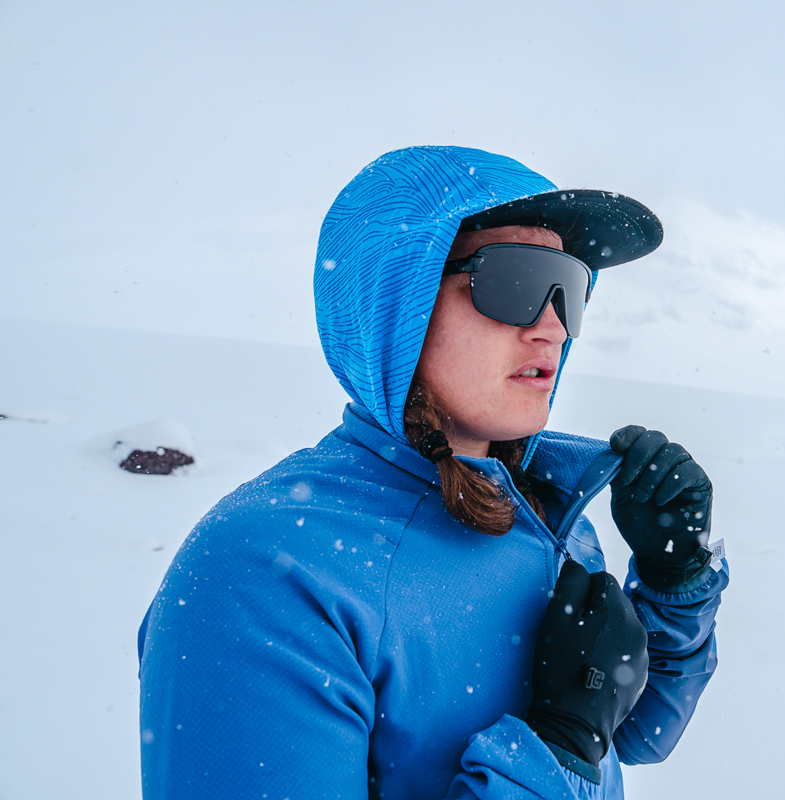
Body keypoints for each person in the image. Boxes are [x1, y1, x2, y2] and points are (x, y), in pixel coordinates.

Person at [137, 146, 729, 800]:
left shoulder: (544, 515)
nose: (555, 328)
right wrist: (558, 746)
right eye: (516, 281)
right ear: (400, 299)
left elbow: (637, 735)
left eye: (570, 288)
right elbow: (581, 745)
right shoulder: (266, 572)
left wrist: (675, 582)